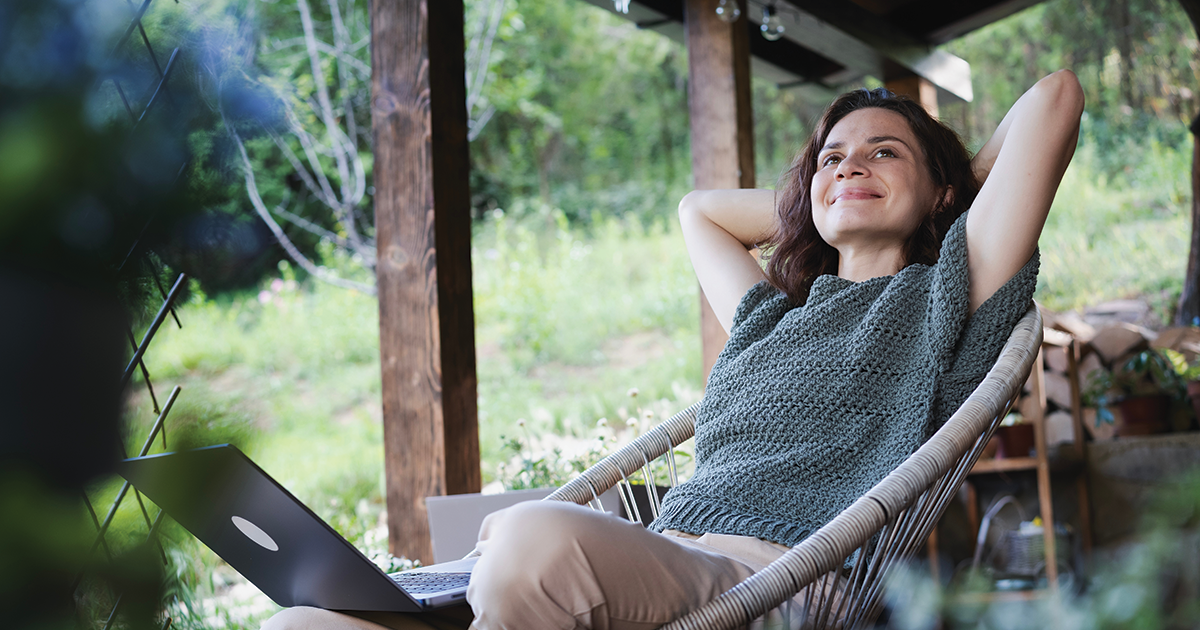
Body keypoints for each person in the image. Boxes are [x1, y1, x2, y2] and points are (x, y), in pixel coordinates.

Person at [262, 69, 1084, 630]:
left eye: (882, 153)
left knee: (530, 541)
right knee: (302, 620)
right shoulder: (769, 317)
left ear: (943, 190)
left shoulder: (949, 293)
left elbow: (1054, 99)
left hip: (774, 575)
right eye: (831, 158)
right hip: (662, 557)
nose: (850, 166)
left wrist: (950, 179)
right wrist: (819, 201)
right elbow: (700, 211)